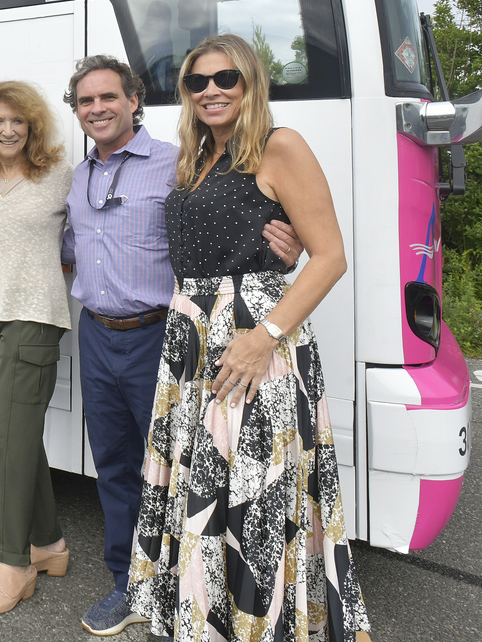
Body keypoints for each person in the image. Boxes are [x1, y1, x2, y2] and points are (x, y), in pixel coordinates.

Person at [126, 34, 370, 641]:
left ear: (250, 83)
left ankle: (256, 625)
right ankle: (207, 619)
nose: (211, 90)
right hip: (192, 337)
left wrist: (264, 334)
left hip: (252, 337)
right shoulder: (196, 155)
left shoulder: (277, 146)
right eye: (197, 82)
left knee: (254, 487)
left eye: (225, 78)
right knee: (206, 479)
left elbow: (331, 256)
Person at [61, 55, 302, 637]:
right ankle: (128, 582)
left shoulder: (180, 163)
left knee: (174, 470)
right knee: (114, 465)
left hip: (161, 338)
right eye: (86, 101)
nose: (98, 109)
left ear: (134, 100)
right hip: (96, 334)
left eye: (108, 97)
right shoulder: (77, 177)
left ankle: (180, 586)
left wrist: (282, 248)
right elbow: (66, 245)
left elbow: (227, 223)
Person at [0, 82, 75, 615]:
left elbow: (90, 237)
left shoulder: (58, 176)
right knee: (18, 435)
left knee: (10, 439)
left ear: (33, 126)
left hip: (36, 318)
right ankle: (48, 544)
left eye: (18, 122)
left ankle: (14, 564)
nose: (8, 131)